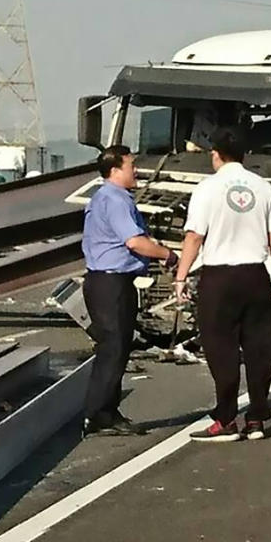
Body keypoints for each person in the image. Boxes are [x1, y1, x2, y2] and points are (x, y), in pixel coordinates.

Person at [174, 127, 271, 442]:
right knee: (260, 349)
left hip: (219, 277)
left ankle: (225, 419)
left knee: (221, 348)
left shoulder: (207, 188)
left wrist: (181, 276)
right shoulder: (264, 187)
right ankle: (257, 419)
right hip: (256, 274)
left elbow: (194, 235)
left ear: (216, 155)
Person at [81, 145, 179, 437]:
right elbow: (134, 242)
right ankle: (97, 414)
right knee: (113, 348)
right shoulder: (115, 200)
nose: (136, 171)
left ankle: (108, 411)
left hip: (112, 281)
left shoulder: (109, 197)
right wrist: (167, 254)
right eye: (131, 165)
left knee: (119, 347)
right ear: (115, 170)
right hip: (110, 282)